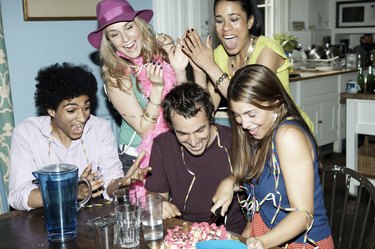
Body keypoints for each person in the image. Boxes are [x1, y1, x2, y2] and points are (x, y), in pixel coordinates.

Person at [211, 64, 333, 248]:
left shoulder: (288, 136)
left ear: (275, 103)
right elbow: (261, 176)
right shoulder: (260, 131)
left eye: (251, 114)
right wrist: (231, 181)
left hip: (301, 242)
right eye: (236, 115)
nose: (243, 124)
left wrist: (261, 242)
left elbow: (303, 215)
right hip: (265, 232)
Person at [8, 63, 150, 211]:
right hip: (43, 221)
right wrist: (71, 192)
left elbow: (110, 182)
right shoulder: (27, 133)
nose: (82, 117)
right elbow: (18, 196)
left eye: (86, 108)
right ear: (51, 110)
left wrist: (122, 183)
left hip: (87, 220)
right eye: (71, 110)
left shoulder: (99, 128)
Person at [87, 0, 188, 178]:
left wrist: (180, 71)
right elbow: (145, 129)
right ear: (109, 41)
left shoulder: (160, 55)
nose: (125, 39)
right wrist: (157, 89)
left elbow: (185, 106)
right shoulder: (115, 77)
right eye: (115, 34)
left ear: (140, 26)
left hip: (173, 149)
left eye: (128, 27)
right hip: (139, 158)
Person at [181, 0, 313, 131]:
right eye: (220, 21)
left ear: (250, 22)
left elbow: (250, 104)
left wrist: (210, 66)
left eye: (234, 19)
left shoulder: (268, 50)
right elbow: (205, 113)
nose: (226, 28)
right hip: (253, 136)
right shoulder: (220, 55)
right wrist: (199, 70)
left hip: (287, 130)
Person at [144, 83, 247, 234]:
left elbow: (257, 177)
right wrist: (160, 203)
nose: (193, 141)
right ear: (171, 127)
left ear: (211, 117)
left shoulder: (236, 141)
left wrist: (233, 180)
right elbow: (154, 194)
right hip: (182, 232)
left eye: (200, 130)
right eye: (183, 133)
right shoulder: (163, 145)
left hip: (230, 235)